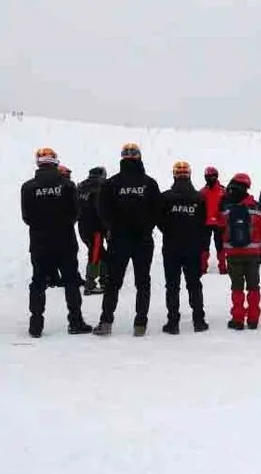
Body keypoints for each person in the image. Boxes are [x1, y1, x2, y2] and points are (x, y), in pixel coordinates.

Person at [21, 147, 91, 337]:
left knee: (38, 282)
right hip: (64, 240)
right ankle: (75, 321)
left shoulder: (28, 187)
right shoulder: (67, 185)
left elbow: (26, 217)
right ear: (55, 162)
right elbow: (76, 212)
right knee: (70, 281)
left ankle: (36, 325)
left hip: (39, 242)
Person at [93, 143, 161, 336]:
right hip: (143, 240)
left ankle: (106, 321)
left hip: (119, 240)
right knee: (143, 282)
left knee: (113, 282)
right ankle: (140, 324)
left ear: (122, 159)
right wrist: (147, 227)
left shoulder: (111, 183)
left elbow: (102, 210)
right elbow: (157, 211)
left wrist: (112, 227)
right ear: (139, 158)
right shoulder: (149, 183)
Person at [156, 161, 209, 334]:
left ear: (174, 175)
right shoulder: (199, 198)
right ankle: (199, 320)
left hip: (171, 246)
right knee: (194, 284)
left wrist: (171, 231)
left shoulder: (165, 198)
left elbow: (160, 221)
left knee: (172, 285)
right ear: (189, 175)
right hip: (192, 246)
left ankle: (173, 322)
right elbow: (203, 223)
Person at [221, 173, 261, 330]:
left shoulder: (226, 207)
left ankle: (237, 319)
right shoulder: (257, 207)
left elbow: (220, 228)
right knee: (254, 287)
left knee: (237, 287)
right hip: (253, 254)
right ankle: (253, 319)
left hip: (233, 254)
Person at [77, 166, 108, 295]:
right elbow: (101, 210)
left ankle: (104, 280)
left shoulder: (80, 187)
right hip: (96, 228)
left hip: (82, 227)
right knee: (95, 255)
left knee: (101, 254)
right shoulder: (101, 187)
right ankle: (90, 284)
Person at [200, 166, 227, 274]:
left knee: (220, 246)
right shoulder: (202, 192)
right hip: (205, 223)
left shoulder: (223, 191)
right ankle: (202, 267)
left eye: (212, 176)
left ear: (216, 176)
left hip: (219, 223)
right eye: (208, 176)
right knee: (203, 246)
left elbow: (228, 206)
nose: (210, 178)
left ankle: (222, 267)